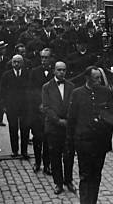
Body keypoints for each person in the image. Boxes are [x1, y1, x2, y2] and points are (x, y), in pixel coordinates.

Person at [67, 66, 113, 204]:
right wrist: (70, 142)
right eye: (96, 78)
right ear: (87, 78)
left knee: (96, 176)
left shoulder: (106, 92)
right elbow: (71, 119)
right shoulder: (77, 94)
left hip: (100, 143)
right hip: (83, 143)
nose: (99, 80)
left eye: (100, 77)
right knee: (85, 176)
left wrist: (102, 118)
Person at [42, 61, 75, 195]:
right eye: (59, 70)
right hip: (54, 127)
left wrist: (68, 120)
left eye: (64, 70)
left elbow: (73, 105)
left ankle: (69, 181)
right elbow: (46, 107)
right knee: (55, 156)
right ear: (54, 71)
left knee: (69, 156)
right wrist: (58, 120)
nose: (61, 72)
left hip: (68, 127)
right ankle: (58, 183)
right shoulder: (47, 87)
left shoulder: (71, 86)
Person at [0, 54, 30, 159]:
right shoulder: (6, 75)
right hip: (11, 107)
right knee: (13, 128)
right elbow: (2, 91)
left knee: (25, 129)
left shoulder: (27, 74)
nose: (16, 64)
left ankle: (24, 151)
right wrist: (3, 106)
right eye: (14, 62)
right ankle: (15, 150)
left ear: (22, 63)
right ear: (11, 63)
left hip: (25, 107)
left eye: (18, 62)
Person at [28, 47, 53, 174]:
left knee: (49, 140)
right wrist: (38, 104)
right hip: (37, 112)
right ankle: (37, 163)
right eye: (42, 57)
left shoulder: (55, 72)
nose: (44, 60)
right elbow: (31, 90)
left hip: (50, 112)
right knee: (37, 138)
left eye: (46, 58)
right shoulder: (34, 72)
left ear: (51, 59)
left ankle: (47, 165)